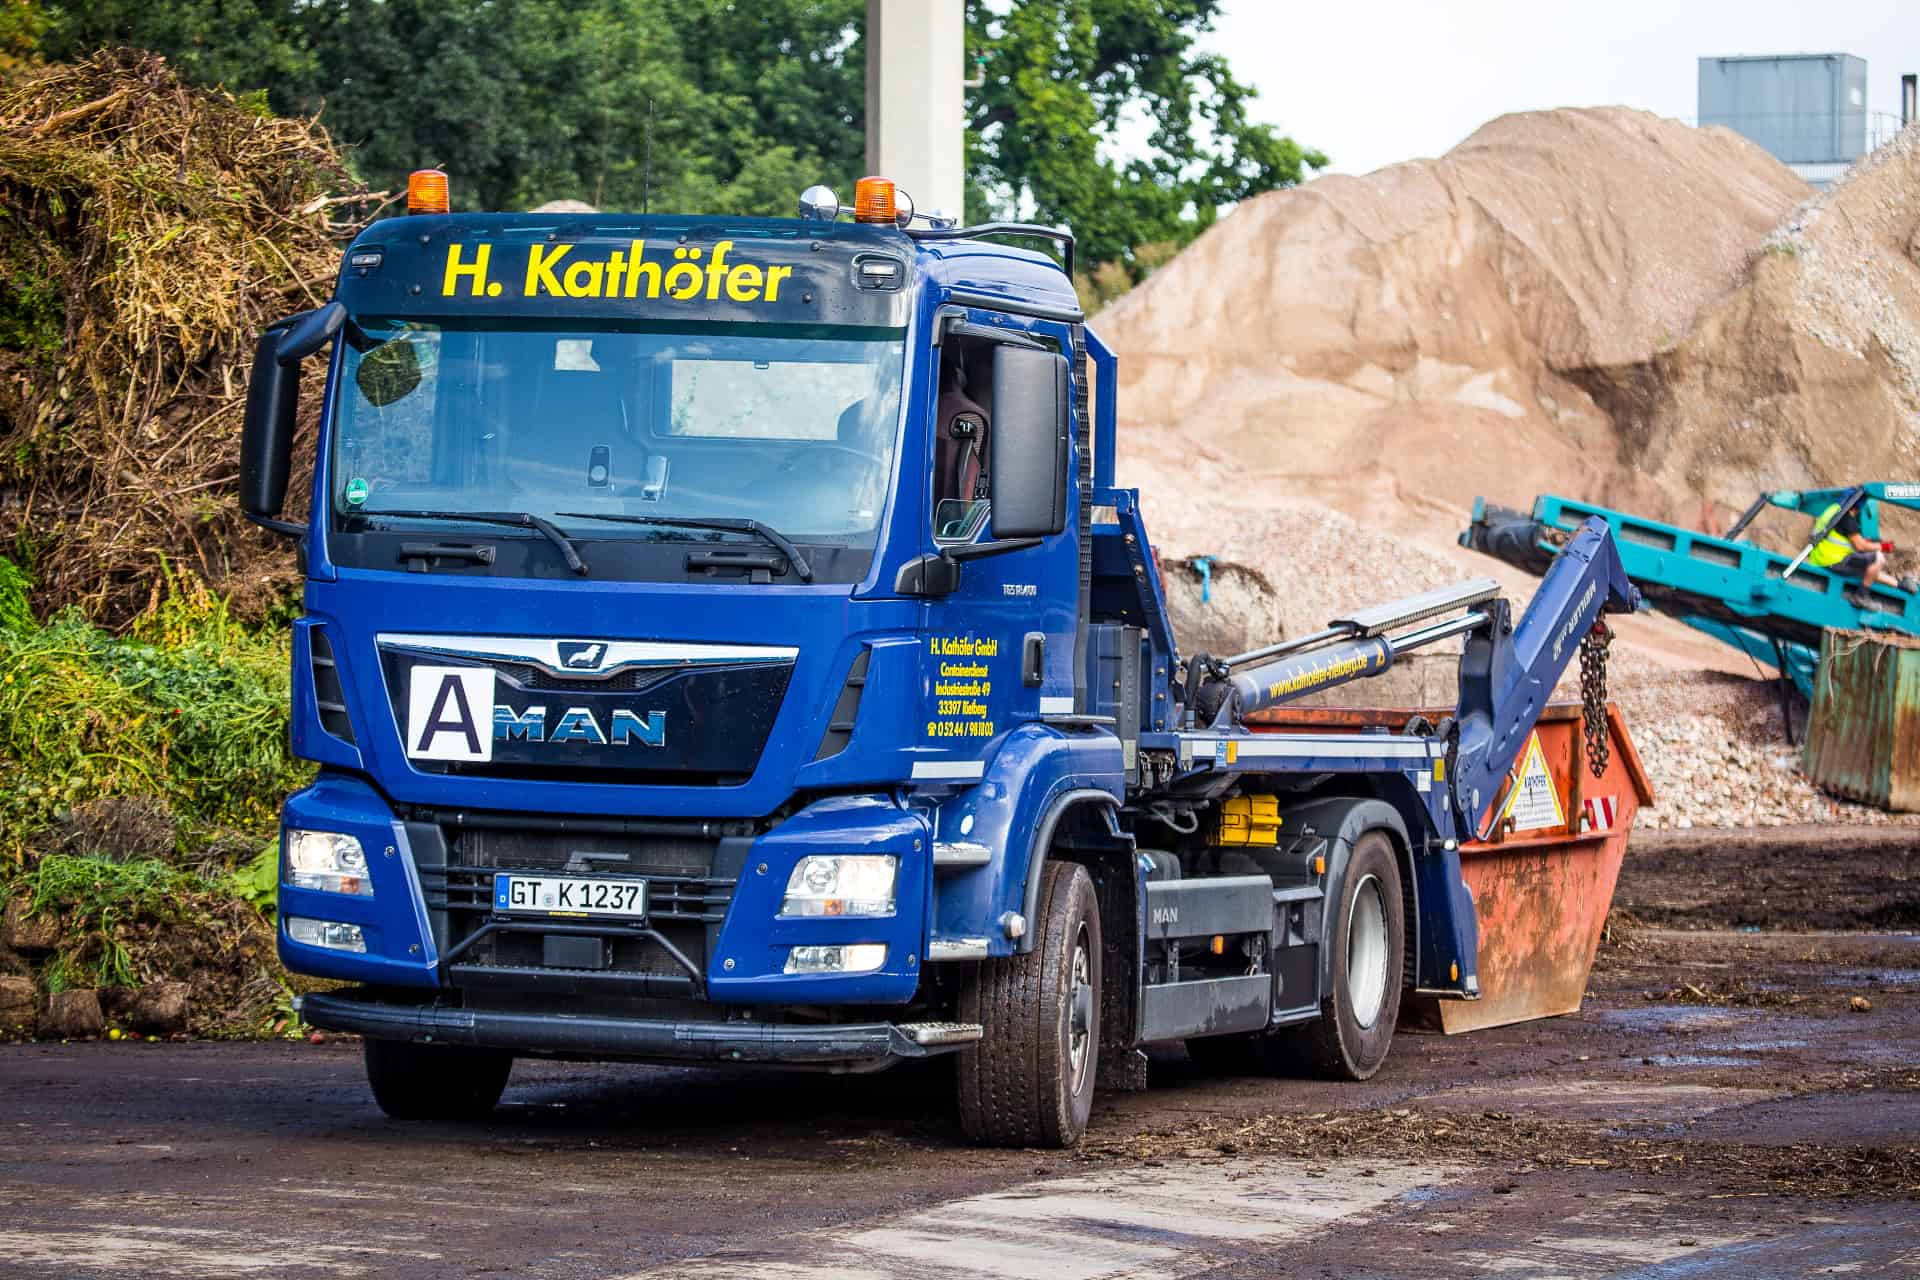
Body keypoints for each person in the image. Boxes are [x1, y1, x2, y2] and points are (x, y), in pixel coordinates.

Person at [1807, 497, 1894, 604]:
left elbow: (1838, 538)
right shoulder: (1847, 518)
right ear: (1858, 507)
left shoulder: (1833, 509)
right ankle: (1861, 596)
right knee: (1878, 558)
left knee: (1869, 572)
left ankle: (1898, 584)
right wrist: (1883, 547)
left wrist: (1897, 584)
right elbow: (1860, 546)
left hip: (1818, 558)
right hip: (1833, 561)